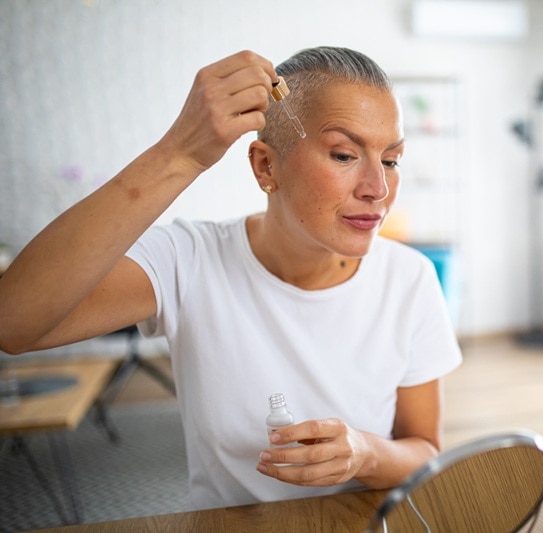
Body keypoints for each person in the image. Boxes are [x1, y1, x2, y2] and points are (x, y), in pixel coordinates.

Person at [0, 47, 462, 510]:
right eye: (344, 154)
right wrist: (179, 153)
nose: (378, 189)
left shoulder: (410, 278)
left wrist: (365, 453)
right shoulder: (188, 260)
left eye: (391, 160)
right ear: (265, 166)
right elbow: (13, 322)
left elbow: (423, 450)